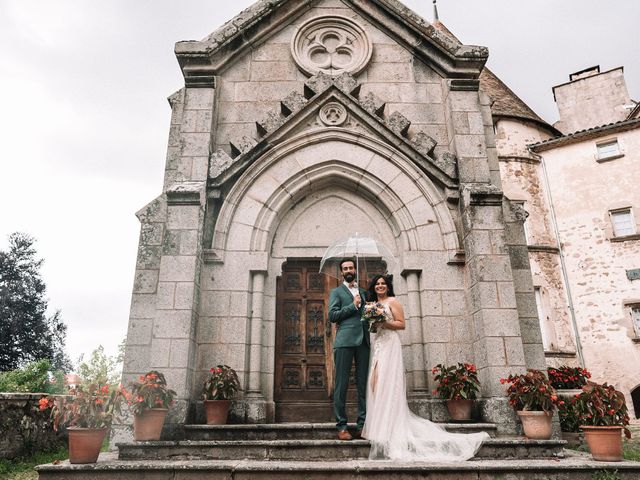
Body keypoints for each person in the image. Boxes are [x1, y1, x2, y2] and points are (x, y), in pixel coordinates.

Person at [361, 274, 489, 461]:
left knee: (386, 383)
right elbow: (374, 328)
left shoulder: (393, 302)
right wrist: (373, 323)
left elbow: (401, 324)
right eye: (377, 284)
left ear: (388, 286)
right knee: (375, 383)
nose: (380, 286)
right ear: (373, 287)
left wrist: (384, 322)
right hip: (379, 345)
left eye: (383, 284)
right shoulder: (371, 305)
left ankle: (389, 427)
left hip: (390, 345)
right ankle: (379, 426)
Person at [328, 257, 370, 441]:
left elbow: (368, 314)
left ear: (355, 269)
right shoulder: (336, 292)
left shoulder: (364, 292)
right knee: (341, 385)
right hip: (344, 341)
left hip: (364, 342)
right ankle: (342, 426)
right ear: (341, 272)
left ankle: (362, 425)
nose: (348, 270)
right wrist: (352, 306)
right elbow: (332, 315)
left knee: (363, 385)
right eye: (345, 268)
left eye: (351, 267)